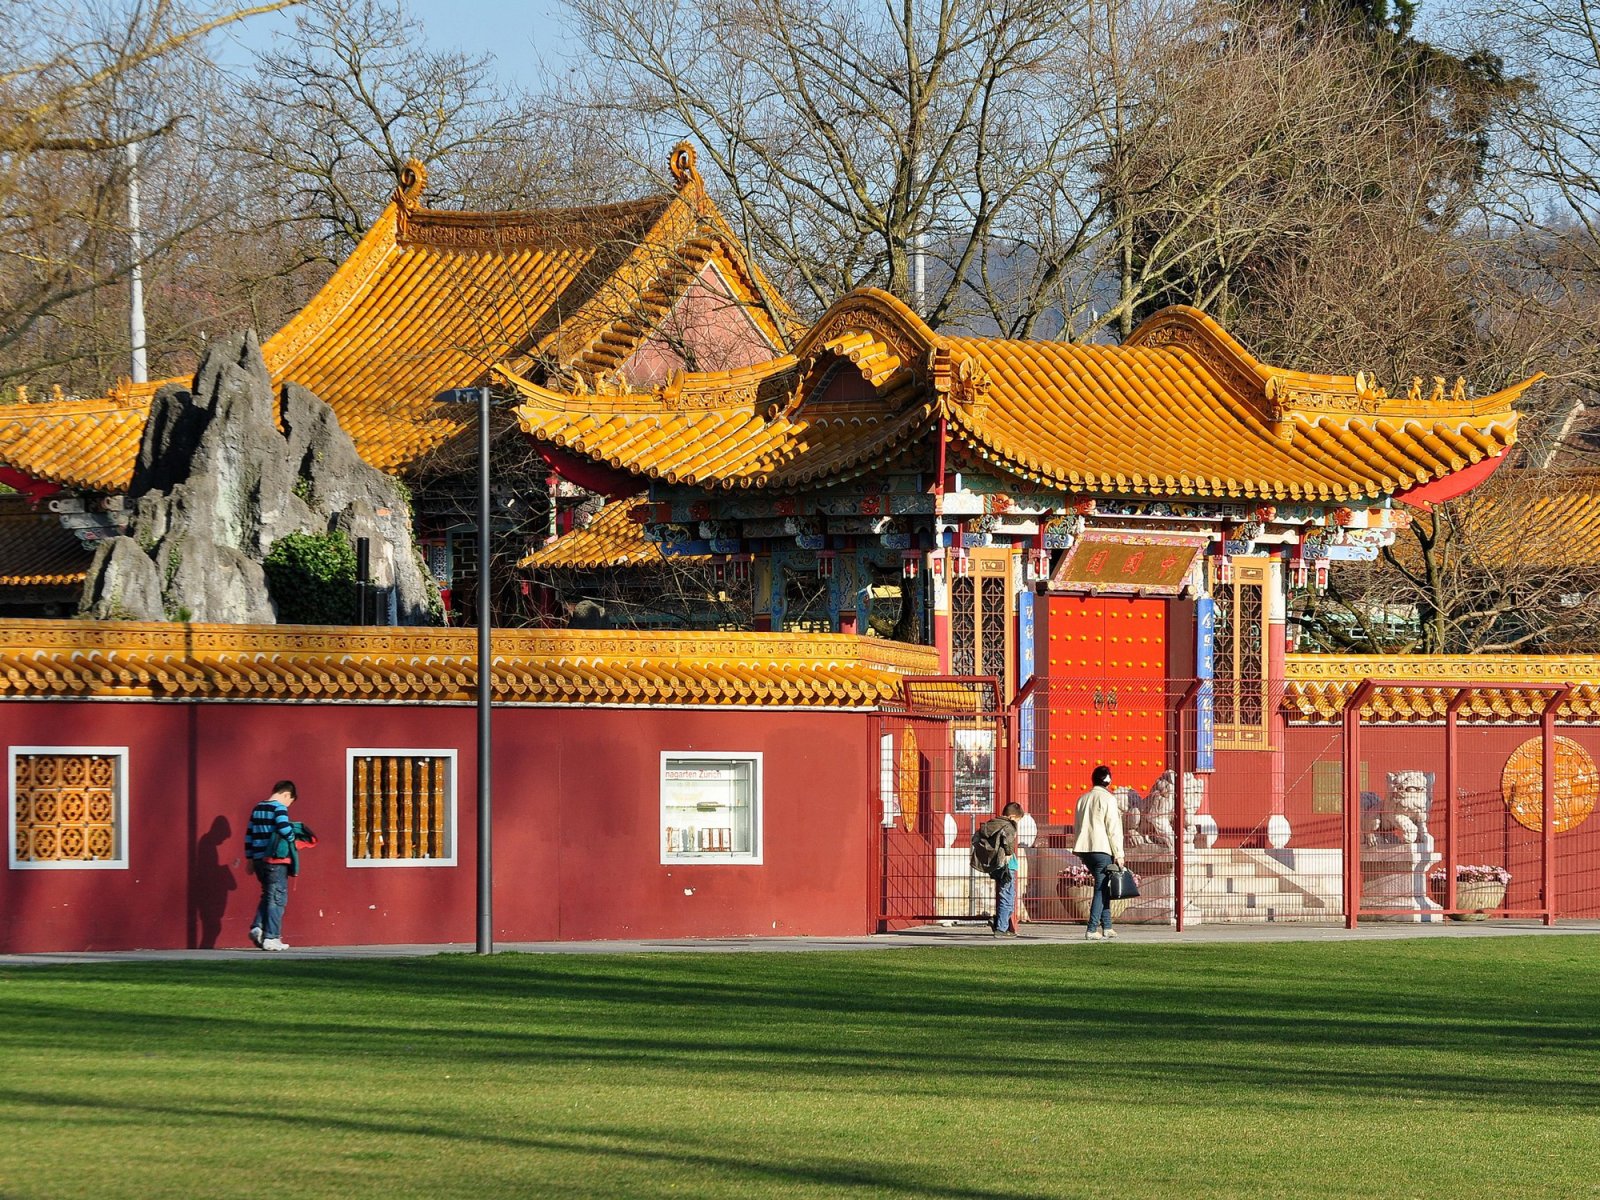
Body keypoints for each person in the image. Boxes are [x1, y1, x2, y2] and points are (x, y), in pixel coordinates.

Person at [245, 780, 314, 951]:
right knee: (278, 898)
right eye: (290, 801)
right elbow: (283, 828)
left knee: (268, 895)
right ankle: (271, 937)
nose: (288, 805)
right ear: (286, 795)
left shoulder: (257, 808)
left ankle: (258, 927)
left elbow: (249, 834)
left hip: (259, 859)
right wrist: (292, 838)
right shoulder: (279, 808)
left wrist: (250, 858)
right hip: (275, 860)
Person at [1072, 765, 1126, 941]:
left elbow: (1078, 825)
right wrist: (1119, 853)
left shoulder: (1082, 798)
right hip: (1102, 847)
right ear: (1109, 781)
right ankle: (1092, 928)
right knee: (1101, 888)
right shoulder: (1108, 799)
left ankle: (1107, 926)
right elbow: (1113, 828)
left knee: (1103, 885)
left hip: (1085, 848)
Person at [990, 801, 1025, 937]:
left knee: (1005, 893)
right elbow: (1008, 844)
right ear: (1012, 817)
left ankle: (999, 922)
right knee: (1008, 896)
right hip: (1007, 865)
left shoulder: (995, 823)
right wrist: (1010, 854)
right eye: (1018, 819)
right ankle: (1002, 928)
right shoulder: (1009, 826)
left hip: (997, 864)